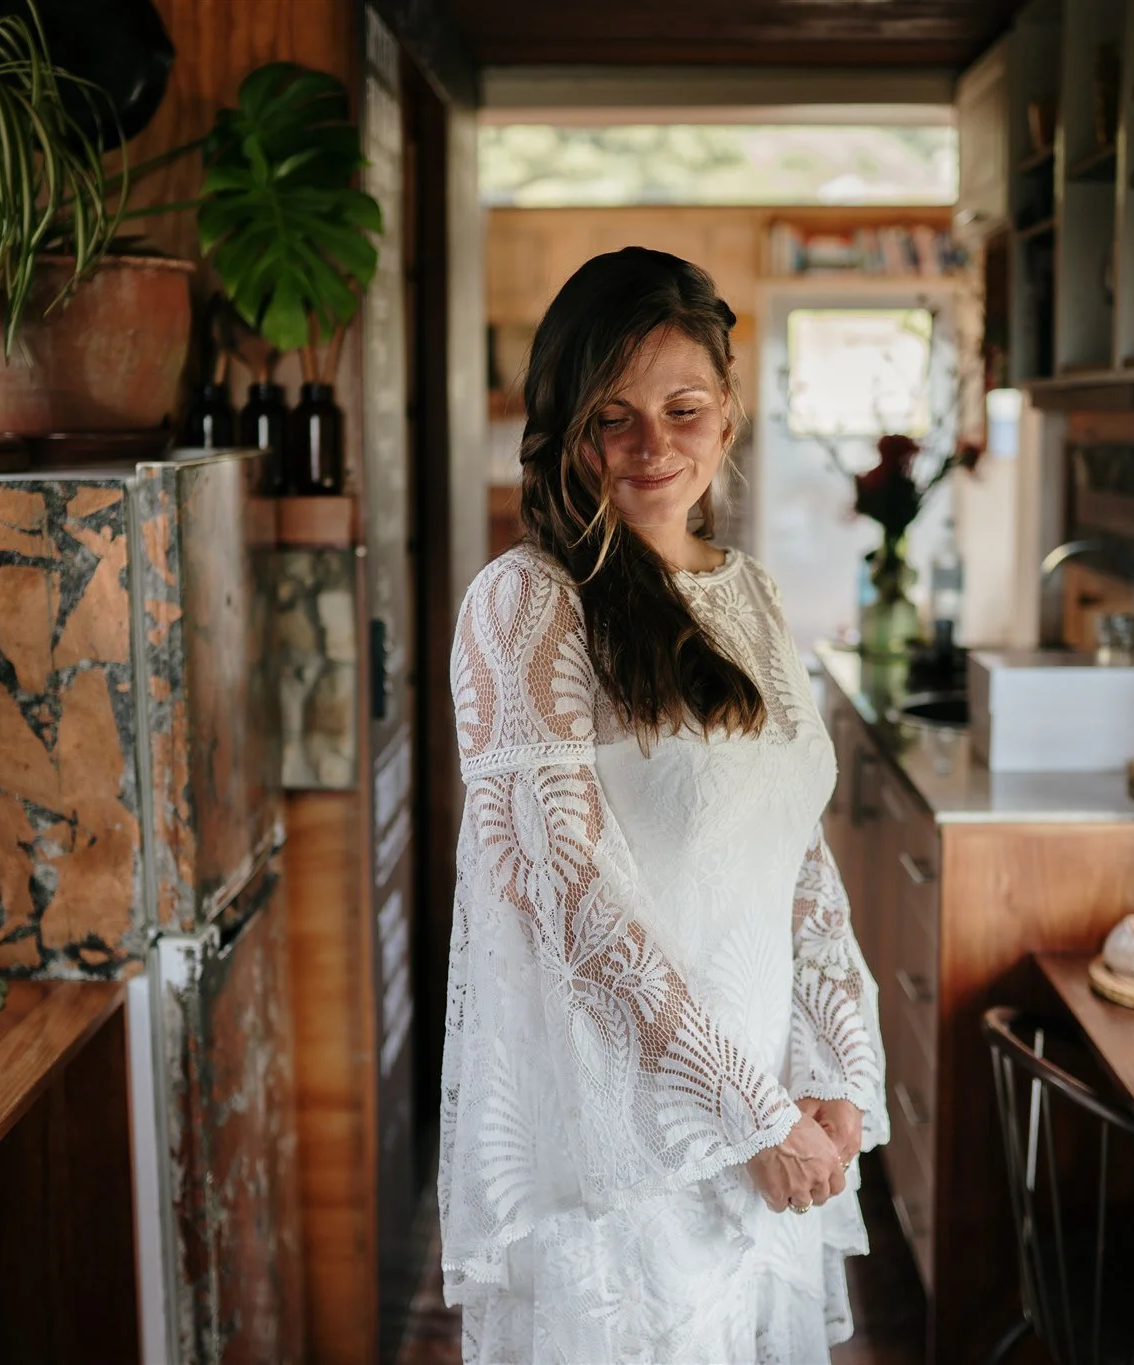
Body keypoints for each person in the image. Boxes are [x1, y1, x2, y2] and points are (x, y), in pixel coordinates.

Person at [439, 246, 890, 1363]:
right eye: (613, 417)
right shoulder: (525, 604)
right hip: (627, 1160)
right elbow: (569, 904)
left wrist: (831, 1071)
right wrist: (748, 1117)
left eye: (682, 409)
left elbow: (795, 857)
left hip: (766, 1129)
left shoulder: (751, 592)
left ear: (726, 415)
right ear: (565, 429)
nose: (653, 446)